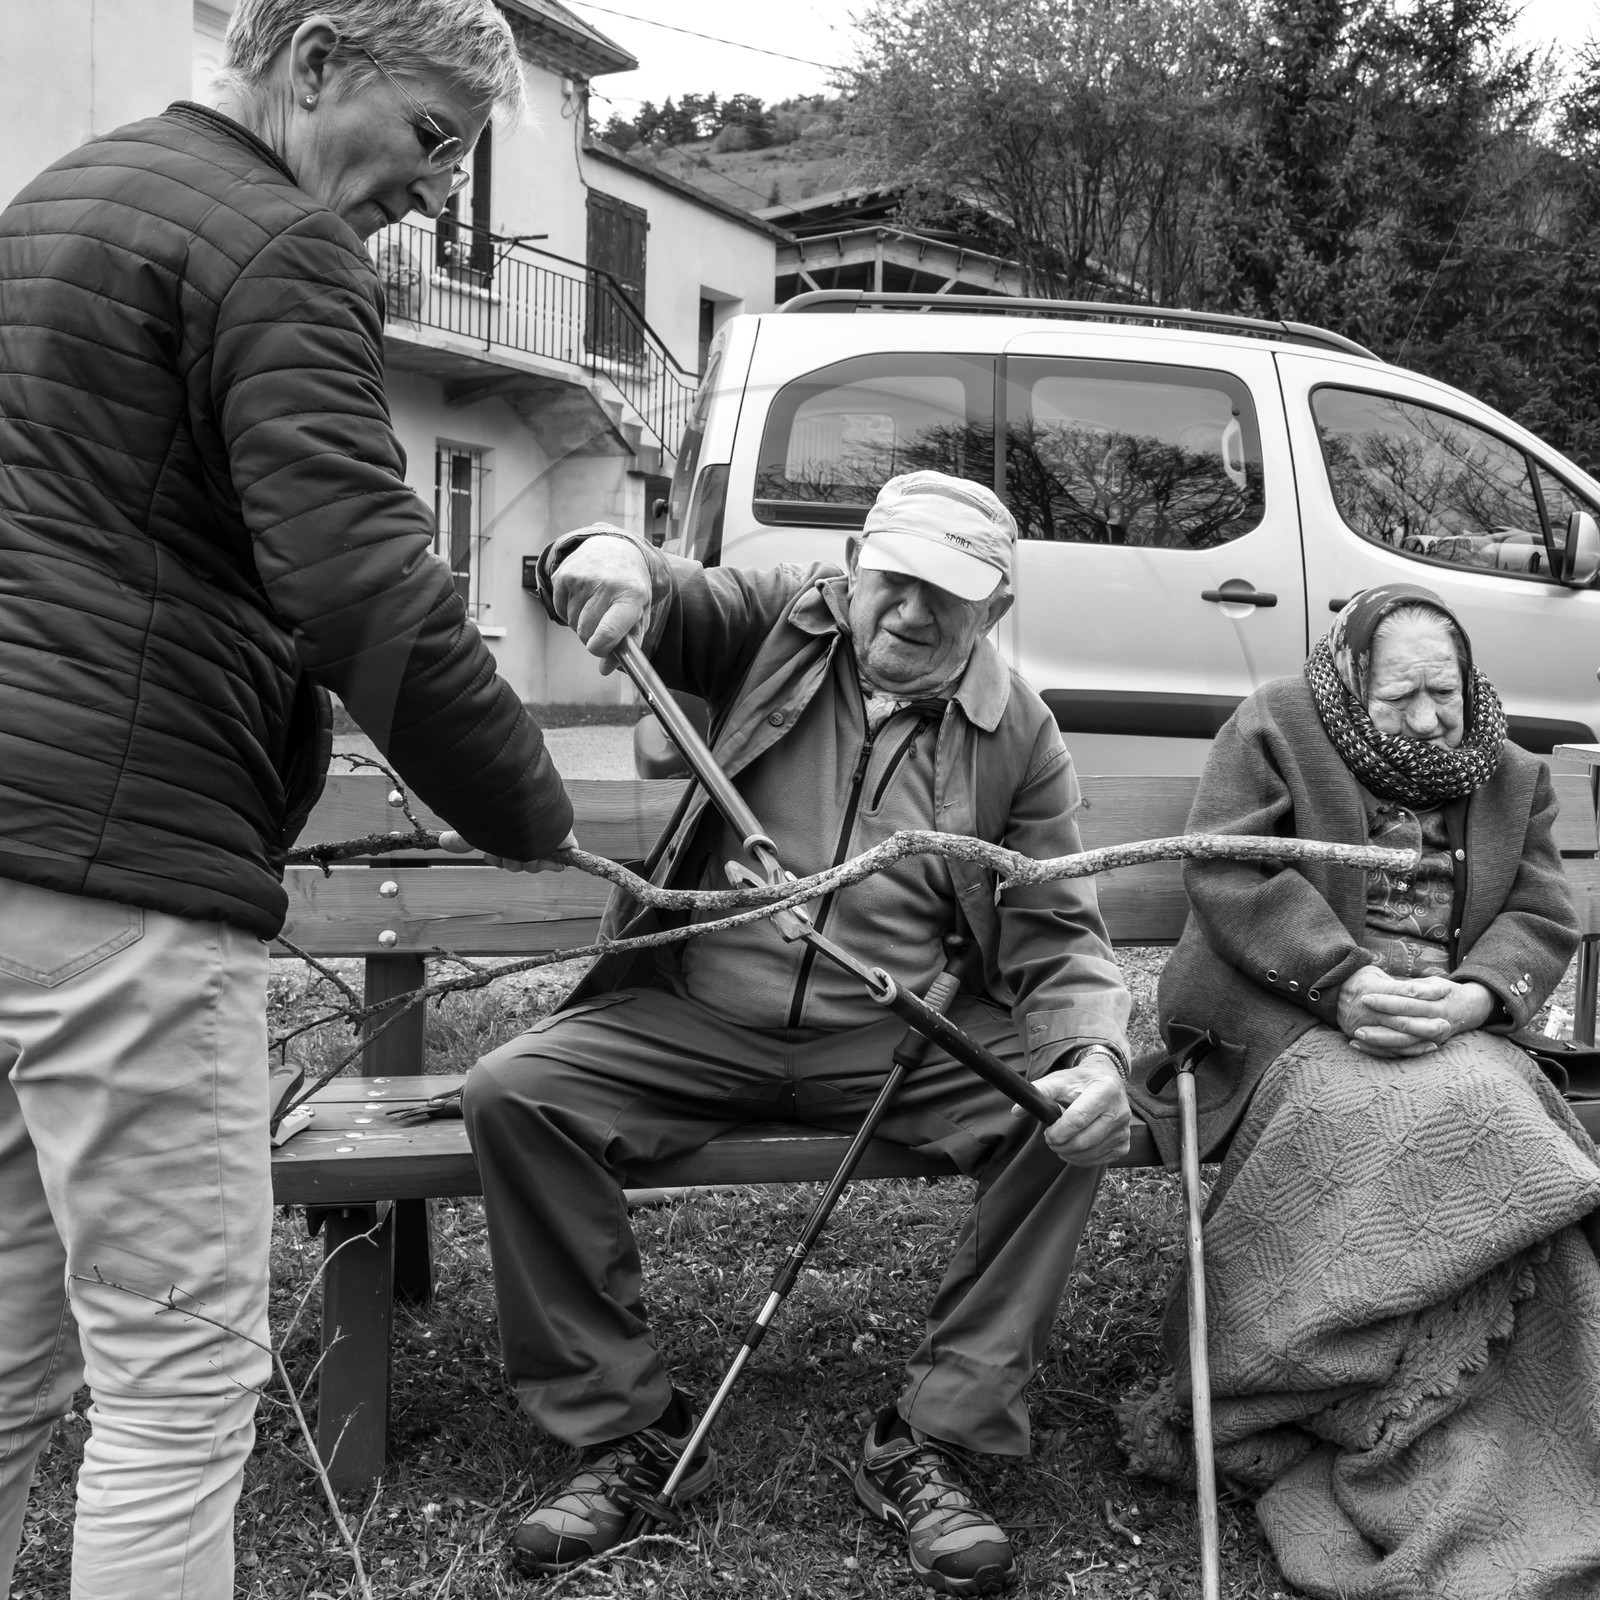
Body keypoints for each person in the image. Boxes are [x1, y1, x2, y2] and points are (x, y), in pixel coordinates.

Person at [0, 4, 576, 1595]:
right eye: (434, 137)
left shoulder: (53, 202)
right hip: (126, 878)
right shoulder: (273, 243)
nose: (439, 195)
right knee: (179, 1393)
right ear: (316, 62)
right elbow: (365, 589)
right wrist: (536, 818)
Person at [463, 470, 1134, 1594]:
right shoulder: (783, 621)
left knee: (1063, 1121)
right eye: (896, 580)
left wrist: (1092, 1056)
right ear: (857, 565)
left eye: (948, 596)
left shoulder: (1016, 734)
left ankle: (933, 1436)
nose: (911, 612)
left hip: (891, 1039)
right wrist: (602, 552)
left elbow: (1056, 933)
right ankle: (628, 1425)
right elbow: (668, 592)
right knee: (511, 1091)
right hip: (696, 1015)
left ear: (994, 613)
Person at [1122, 584, 1600, 1598]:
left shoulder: (1509, 769)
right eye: (1402, 699)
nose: (1431, 721)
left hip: (1446, 1029)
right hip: (1281, 1018)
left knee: (1497, 1111)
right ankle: (1342, 1373)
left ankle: (1510, 1397)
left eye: (1447, 693)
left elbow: (1541, 909)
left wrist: (1473, 997)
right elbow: (1234, 872)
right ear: (1348, 683)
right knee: (1468, 1112)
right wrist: (1344, 982)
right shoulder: (1274, 726)